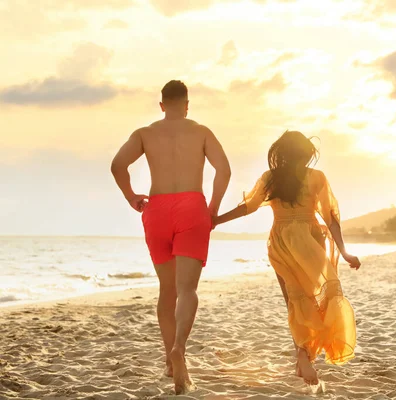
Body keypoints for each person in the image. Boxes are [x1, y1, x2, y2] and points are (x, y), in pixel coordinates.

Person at [110, 80, 231, 395]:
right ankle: (180, 347)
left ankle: (168, 357)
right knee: (187, 289)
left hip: (158, 209)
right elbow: (224, 170)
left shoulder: (145, 134)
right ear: (187, 104)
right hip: (192, 207)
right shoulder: (201, 131)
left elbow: (117, 165)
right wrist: (213, 208)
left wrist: (130, 196)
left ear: (161, 105)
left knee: (167, 289)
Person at [213, 130, 360, 385]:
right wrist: (345, 251)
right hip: (312, 239)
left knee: (294, 300)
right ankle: (304, 356)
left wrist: (216, 220)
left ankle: (302, 355)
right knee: (314, 298)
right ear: (305, 154)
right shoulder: (316, 177)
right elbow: (330, 217)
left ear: (280, 153)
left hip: (281, 241)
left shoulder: (271, 178)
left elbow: (247, 207)